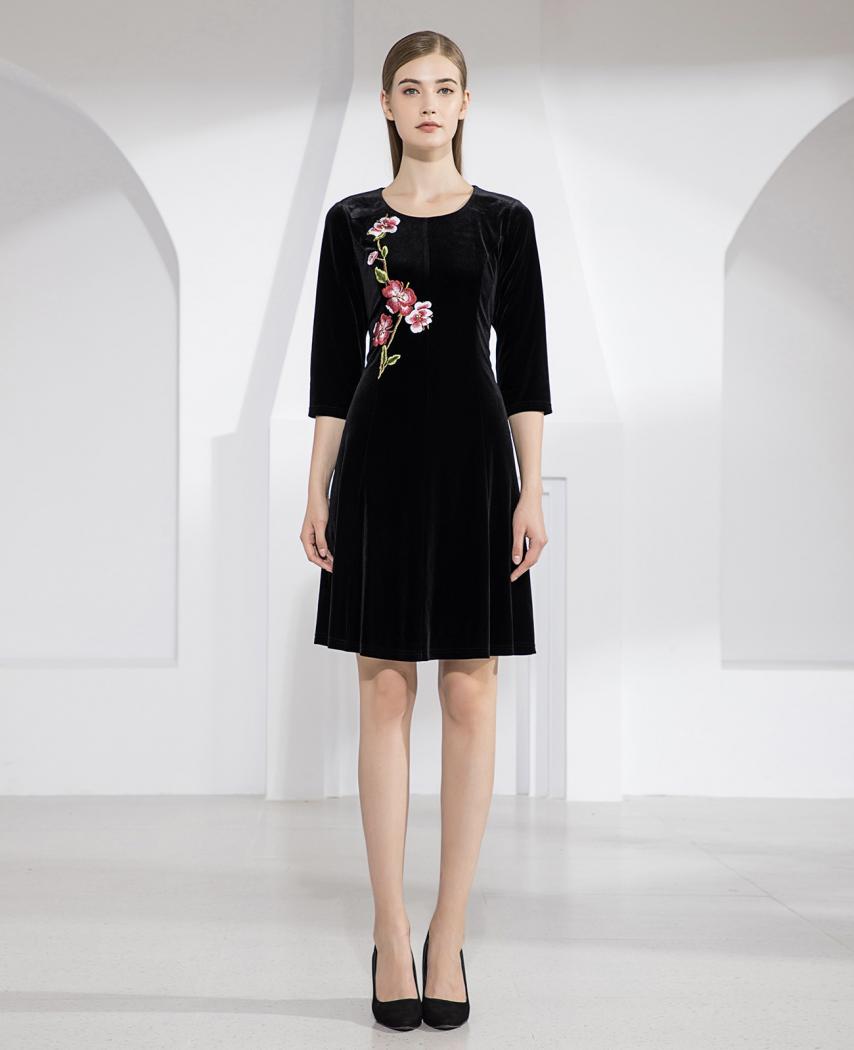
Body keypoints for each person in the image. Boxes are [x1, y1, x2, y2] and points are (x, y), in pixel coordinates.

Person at [300, 29, 553, 1031]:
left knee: (471, 694)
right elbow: (333, 368)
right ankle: (391, 928)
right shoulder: (351, 223)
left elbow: (525, 366)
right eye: (411, 88)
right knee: (382, 691)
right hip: (378, 468)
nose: (429, 102)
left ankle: (449, 931)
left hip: (476, 468)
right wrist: (315, 488)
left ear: (465, 102)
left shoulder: (504, 222)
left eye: (445, 87)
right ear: (386, 104)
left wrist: (530, 491)